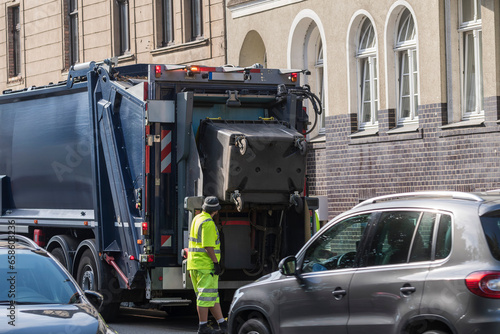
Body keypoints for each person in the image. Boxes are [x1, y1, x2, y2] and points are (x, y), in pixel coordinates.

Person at [187, 196, 227, 334]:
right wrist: (216, 263)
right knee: (205, 298)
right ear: (215, 211)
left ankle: (222, 324)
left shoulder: (197, 218)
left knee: (211, 296)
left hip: (194, 264)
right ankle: (202, 327)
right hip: (205, 265)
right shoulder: (208, 223)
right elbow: (208, 246)